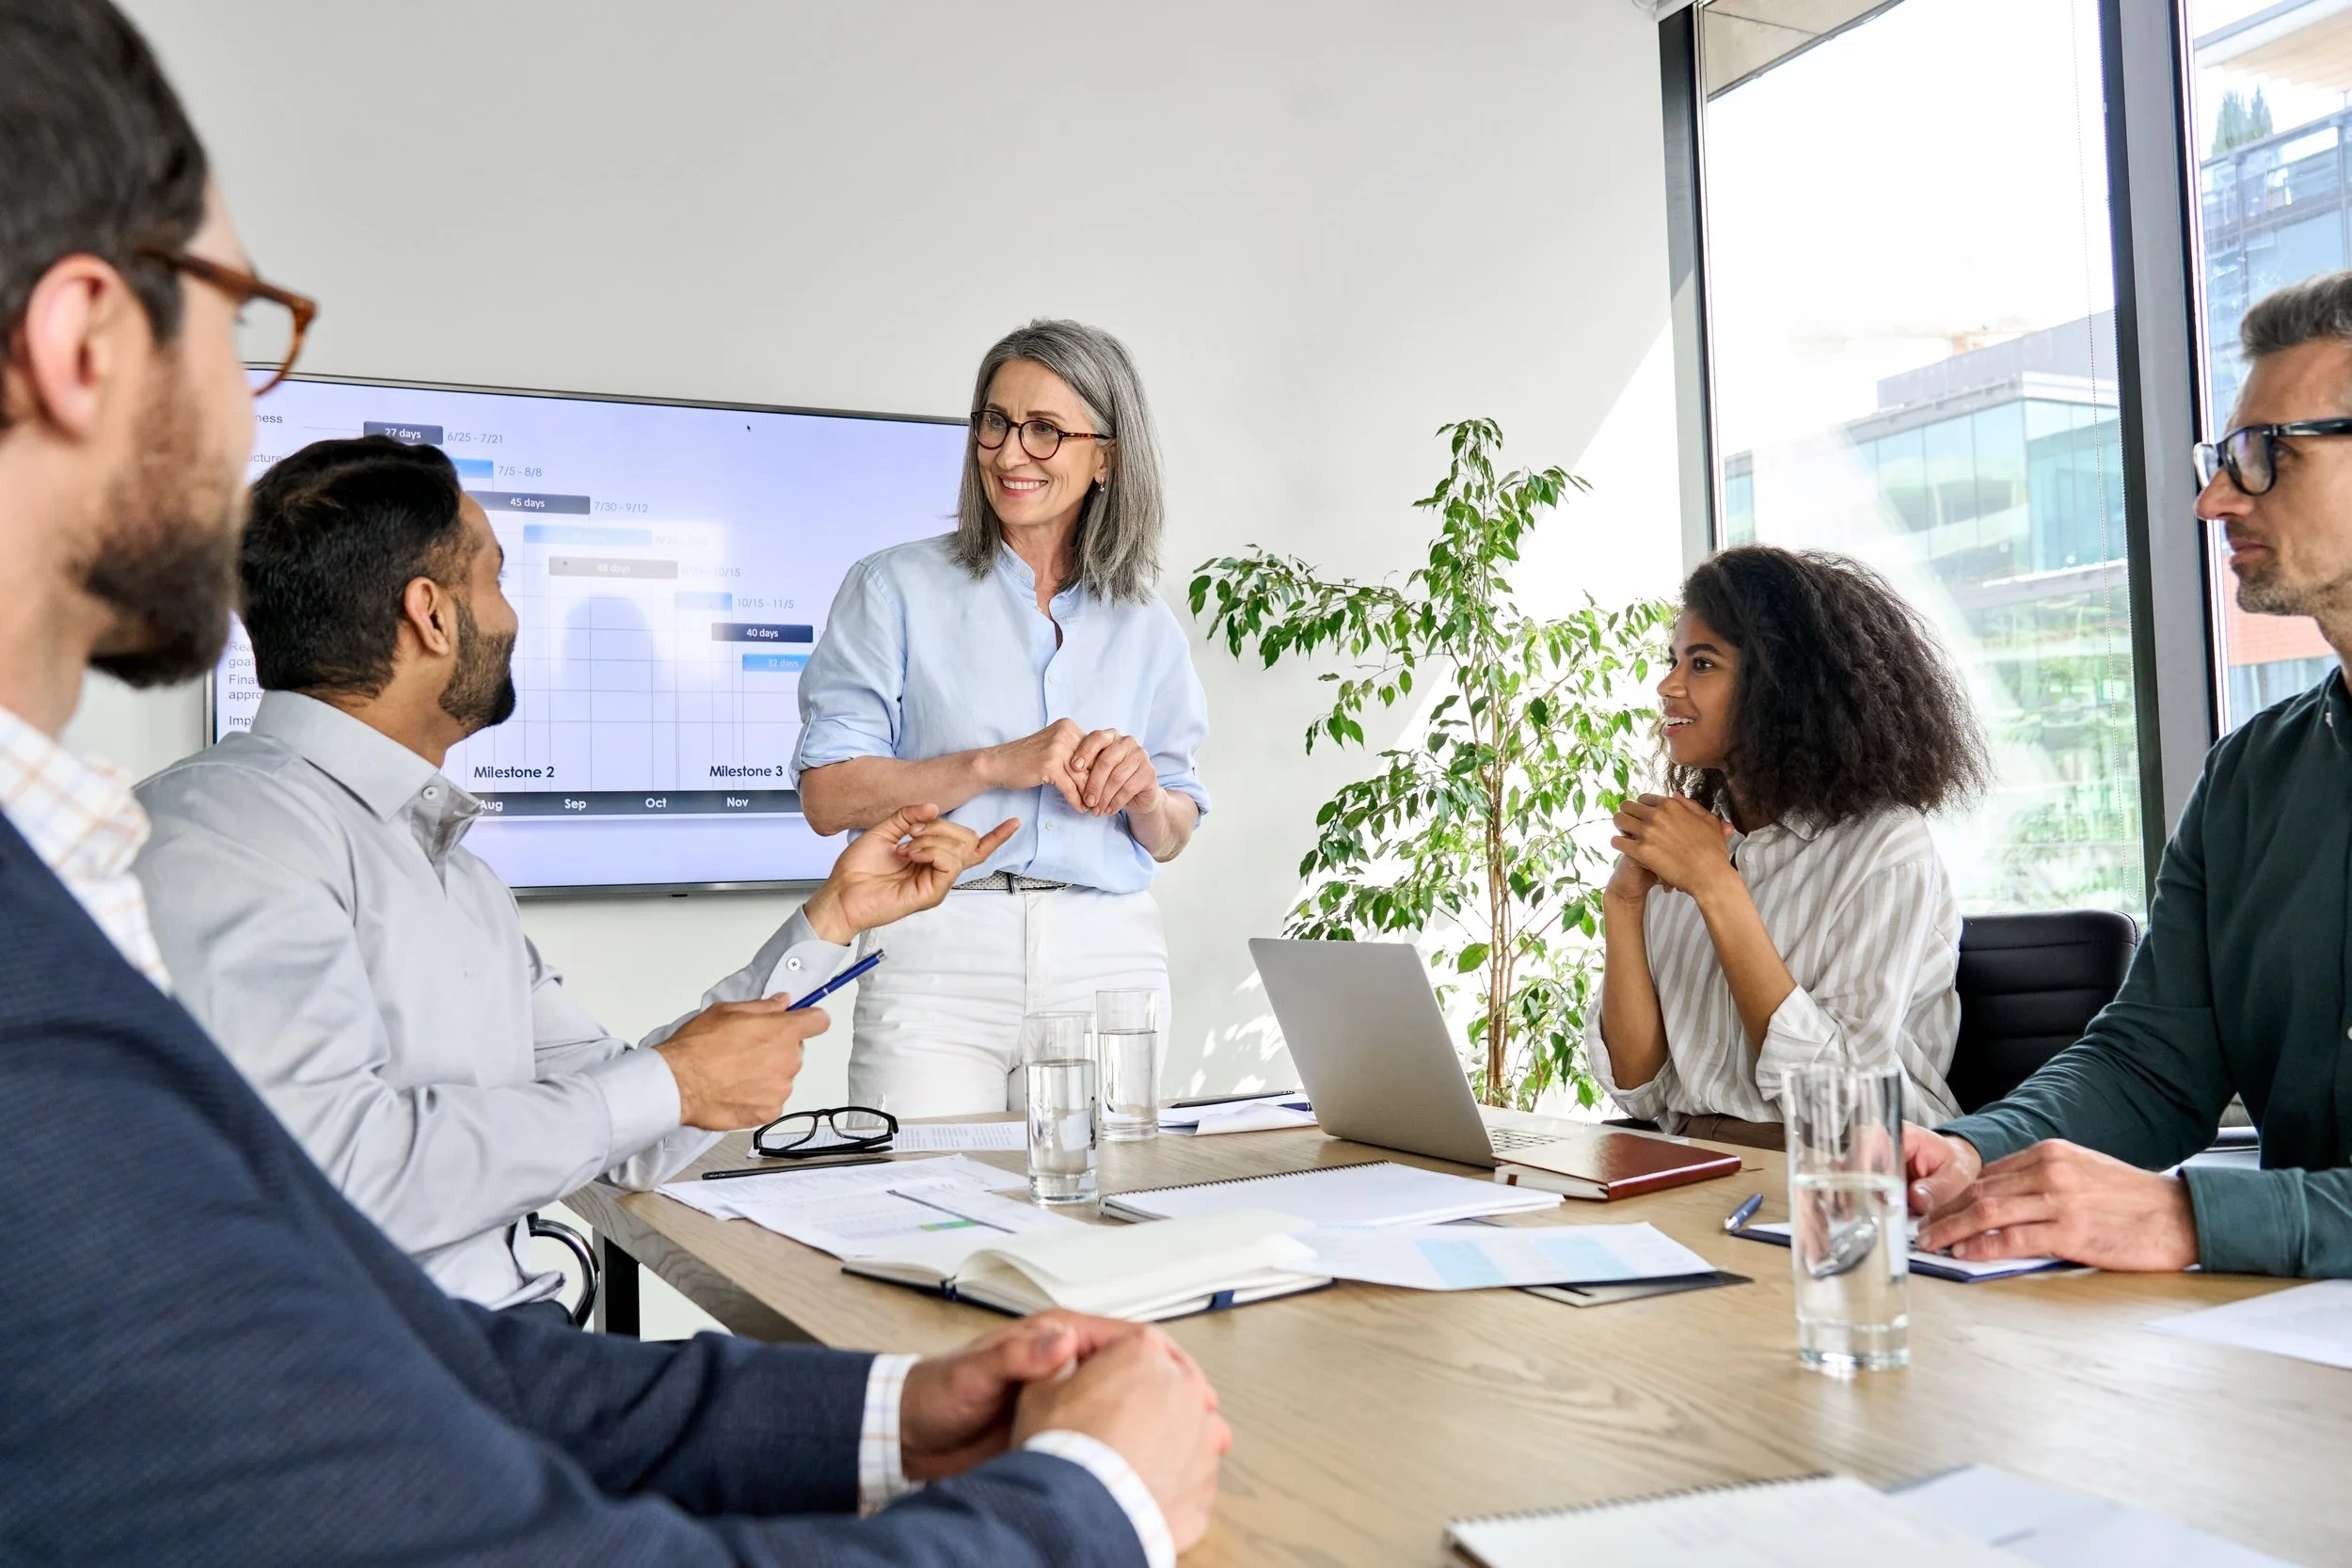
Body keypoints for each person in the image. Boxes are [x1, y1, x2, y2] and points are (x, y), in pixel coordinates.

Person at [0, 3, 1226, 1561]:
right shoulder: (208, 849)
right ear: (84, 337)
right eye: (241, 324)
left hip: (545, 1355)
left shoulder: (426, 859)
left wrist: (829, 936)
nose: (249, 406)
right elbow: (393, 1189)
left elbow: (604, 1150)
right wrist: (1089, 1505)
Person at [132, 436, 1020, 1310]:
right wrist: (672, 1080)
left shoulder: (455, 878)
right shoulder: (227, 835)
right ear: (432, 614)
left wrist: (831, 919)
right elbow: (340, 1174)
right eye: (496, 580)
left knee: (909, 1397)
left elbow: (633, 1128)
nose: (512, 618)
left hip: (507, 1349)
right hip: (391, 1385)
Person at [1908, 270, 2352, 1280]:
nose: (2213, 498)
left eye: (2262, 455)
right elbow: (2152, 1063)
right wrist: (1973, 1150)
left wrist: (2195, 1217)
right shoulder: (2250, 776)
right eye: (2222, 457)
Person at [792, 320, 1210, 1116]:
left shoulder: (1148, 622)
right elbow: (827, 796)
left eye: (1045, 431)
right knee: (923, 1219)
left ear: (1107, 457)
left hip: (1108, 957)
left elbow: (1176, 827)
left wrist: (1148, 798)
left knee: (1103, 1221)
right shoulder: (892, 589)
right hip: (941, 946)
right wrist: (988, 764)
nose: (1010, 452)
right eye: (995, 421)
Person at [1589, 546, 1986, 1149]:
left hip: (1842, 1177)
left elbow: (1841, 1099)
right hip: (1689, 1159)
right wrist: (1623, 905)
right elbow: (1639, 1088)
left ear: (1780, 684)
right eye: (1674, 661)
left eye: (1701, 664)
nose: (1667, 686)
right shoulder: (1691, 839)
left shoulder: (1885, 848)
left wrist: (1718, 888)